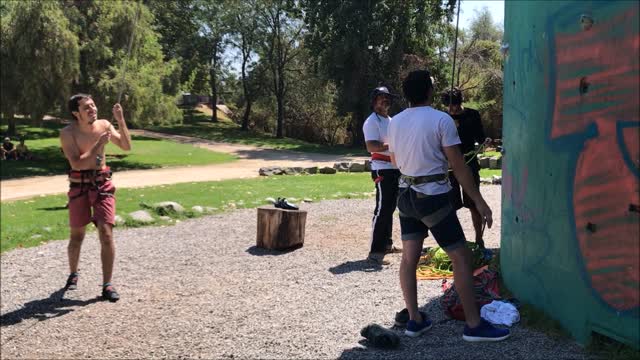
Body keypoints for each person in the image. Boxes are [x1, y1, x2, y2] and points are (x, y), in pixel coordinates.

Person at [388, 70, 509, 341]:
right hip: (432, 196)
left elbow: (395, 162)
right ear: (429, 91)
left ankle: (415, 320)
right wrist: (479, 200)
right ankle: (474, 326)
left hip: (406, 195)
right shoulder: (442, 120)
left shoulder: (394, 122)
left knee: (409, 258)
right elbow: (459, 167)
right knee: (462, 256)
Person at [60, 94, 132, 302]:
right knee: (77, 237)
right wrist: (98, 145)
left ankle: (107, 285)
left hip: (102, 185)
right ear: (76, 113)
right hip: (79, 185)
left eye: (93, 105)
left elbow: (126, 147)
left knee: (106, 233)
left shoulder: (105, 124)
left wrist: (120, 120)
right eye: (87, 108)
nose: (93, 109)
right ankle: (73, 274)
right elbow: (77, 164)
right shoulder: (67, 133)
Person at [442, 88, 492, 248]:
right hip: (449, 166)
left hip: (469, 163)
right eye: (449, 105)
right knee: (451, 205)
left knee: (474, 204)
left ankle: (479, 240)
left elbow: (480, 137)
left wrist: (486, 141)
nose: (453, 109)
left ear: (461, 102)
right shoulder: (442, 118)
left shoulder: (472, 115)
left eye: (456, 105)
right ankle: (454, 243)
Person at [362, 86, 402, 265]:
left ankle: (386, 244)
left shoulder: (391, 120)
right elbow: (371, 146)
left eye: (387, 98)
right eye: (380, 97)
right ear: (374, 101)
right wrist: (392, 146)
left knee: (390, 208)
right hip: (382, 168)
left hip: (394, 167)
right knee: (382, 209)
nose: (384, 100)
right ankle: (375, 252)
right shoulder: (372, 122)